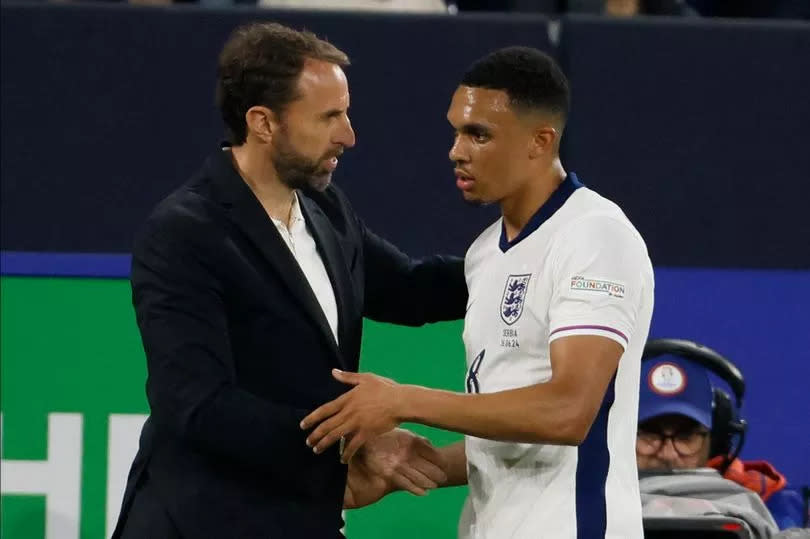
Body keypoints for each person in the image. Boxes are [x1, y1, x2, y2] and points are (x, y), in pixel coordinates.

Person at [111, 21, 467, 539]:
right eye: (329, 117)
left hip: (303, 519)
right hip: (205, 522)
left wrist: (520, 263)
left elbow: (409, 289)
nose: (349, 134)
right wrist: (347, 446)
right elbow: (197, 404)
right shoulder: (185, 233)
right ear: (262, 122)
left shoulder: (324, 206)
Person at [301, 46, 655, 538]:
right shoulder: (486, 253)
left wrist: (404, 399)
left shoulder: (594, 235)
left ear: (540, 140)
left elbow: (568, 412)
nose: (456, 150)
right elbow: (519, 433)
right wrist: (415, 467)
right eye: (456, 131)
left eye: (479, 134)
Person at [637, 339, 807, 530]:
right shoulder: (597, 497)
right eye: (649, 435)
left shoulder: (781, 507)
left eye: (685, 437)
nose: (668, 454)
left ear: (716, 439)